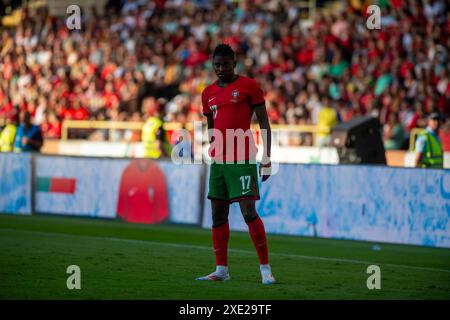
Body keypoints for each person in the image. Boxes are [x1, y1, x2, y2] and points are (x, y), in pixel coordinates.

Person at [196, 44, 275, 285]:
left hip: (242, 158)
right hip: (219, 161)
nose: (220, 69)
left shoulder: (249, 86)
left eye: (225, 64)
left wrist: (266, 157)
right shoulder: (207, 93)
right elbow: (210, 122)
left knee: (249, 212)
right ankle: (221, 269)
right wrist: (212, 143)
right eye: (216, 65)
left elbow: (264, 124)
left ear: (234, 64)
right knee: (217, 215)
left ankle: (265, 269)